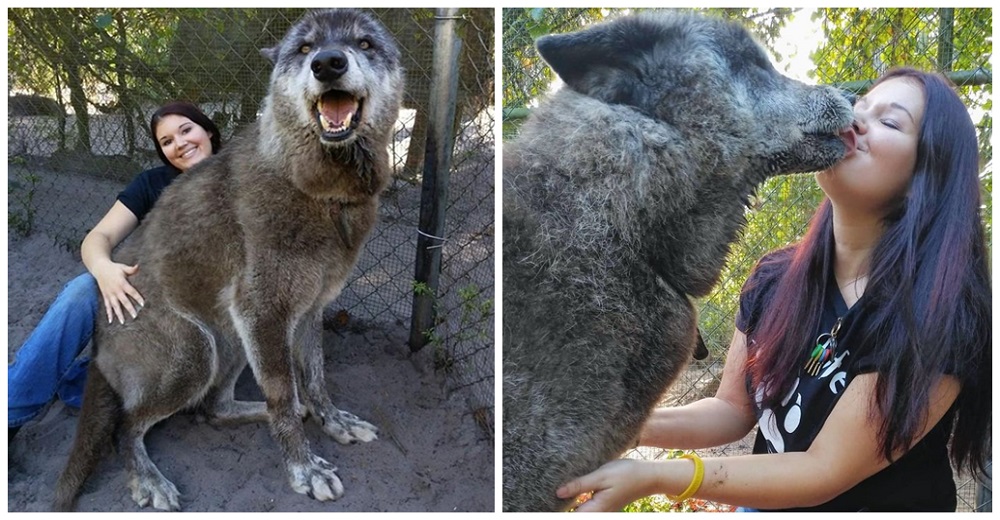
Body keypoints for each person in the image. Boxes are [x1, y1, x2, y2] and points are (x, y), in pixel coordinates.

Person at [556, 67, 991, 512]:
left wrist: (656, 475)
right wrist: (616, 424)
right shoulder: (775, 278)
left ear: (930, 173)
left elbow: (823, 469)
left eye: (890, 122)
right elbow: (732, 410)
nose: (855, 120)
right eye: (860, 107)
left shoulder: (945, 312)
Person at [8, 101, 222, 441]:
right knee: (82, 290)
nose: (179, 144)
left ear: (208, 130)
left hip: (208, 321)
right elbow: (99, 237)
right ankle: (9, 416)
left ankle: (85, 379)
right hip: (151, 302)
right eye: (166, 141)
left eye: (186, 130)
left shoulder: (243, 181)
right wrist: (105, 269)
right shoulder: (153, 183)